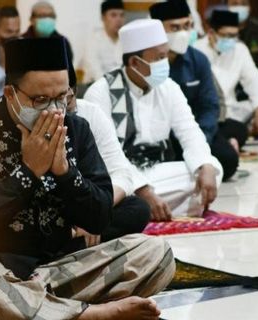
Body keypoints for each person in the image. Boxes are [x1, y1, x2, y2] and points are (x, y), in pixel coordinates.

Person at [0, 37, 174, 319]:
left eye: (62, 97)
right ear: (11, 93)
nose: (54, 110)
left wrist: (66, 173)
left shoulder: (76, 128)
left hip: (63, 268)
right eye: (40, 99)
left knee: (155, 253)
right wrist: (27, 173)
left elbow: (99, 217)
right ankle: (90, 314)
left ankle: (42, 308)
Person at [84, 19, 223, 221]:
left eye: (165, 55)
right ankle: (158, 207)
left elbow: (189, 131)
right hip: (119, 175)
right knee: (113, 191)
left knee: (212, 170)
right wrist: (145, 191)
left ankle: (151, 209)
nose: (165, 63)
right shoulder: (101, 93)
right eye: (159, 58)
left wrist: (205, 166)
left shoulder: (169, 87)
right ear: (134, 62)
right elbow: (106, 157)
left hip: (157, 171)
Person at [149, 0, 239, 181]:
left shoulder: (198, 60)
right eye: (175, 28)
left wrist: (200, 139)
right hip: (161, 135)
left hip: (195, 130)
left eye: (187, 25)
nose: (183, 33)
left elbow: (210, 105)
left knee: (228, 160)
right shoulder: (148, 62)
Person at [67, 62, 152, 238]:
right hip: (50, 211)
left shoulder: (89, 114)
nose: (60, 106)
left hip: (88, 202)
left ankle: (76, 240)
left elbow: (121, 173)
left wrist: (95, 214)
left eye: (66, 98)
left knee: (137, 208)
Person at [195, 10, 258, 148]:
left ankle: (234, 134)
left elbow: (253, 79)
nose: (231, 40)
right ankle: (233, 136)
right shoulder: (196, 50)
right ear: (211, 33)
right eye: (226, 35)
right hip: (206, 110)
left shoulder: (240, 49)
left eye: (234, 36)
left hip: (232, 110)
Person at [81, 0, 125, 84]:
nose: (119, 19)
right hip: (95, 85)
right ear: (103, 18)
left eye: (122, 15)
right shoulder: (93, 40)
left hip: (122, 87)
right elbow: (94, 70)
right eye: (113, 15)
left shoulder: (126, 40)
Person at [22, 1, 74, 68]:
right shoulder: (21, 42)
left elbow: (68, 71)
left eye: (51, 16)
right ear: (32, 19)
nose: (47, 19)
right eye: (42, 16)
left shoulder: (63, 43)